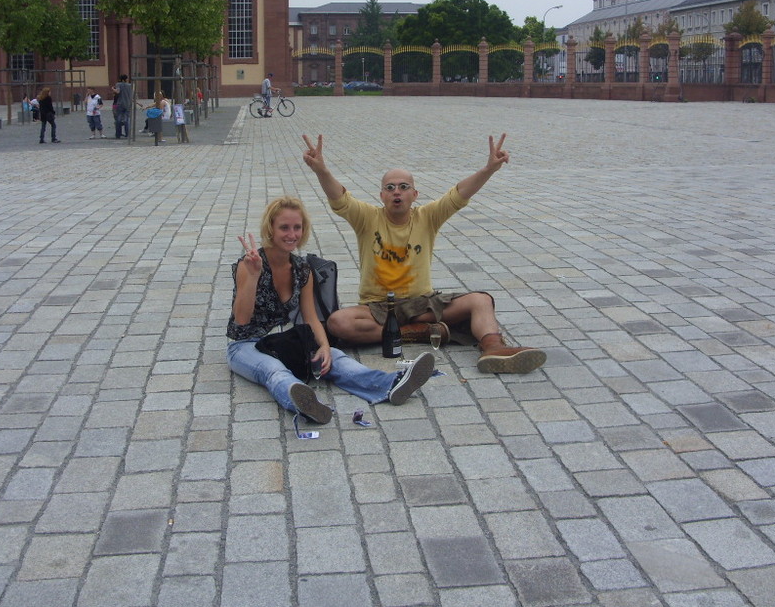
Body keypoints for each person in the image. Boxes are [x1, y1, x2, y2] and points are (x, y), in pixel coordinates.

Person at [302, 133, 547, 375]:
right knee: (338, 323)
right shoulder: (366, 218)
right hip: (378, 308)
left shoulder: (427, 217)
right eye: (390, 187)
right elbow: (340, 199)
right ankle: (421, 332)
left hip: (423, 304)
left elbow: (458, 195)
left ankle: (494, 348)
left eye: (404, 187)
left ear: (414, 194)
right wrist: (321, 170)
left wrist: (489, 169)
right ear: (382, 195)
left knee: (481, 301)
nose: (396, 191)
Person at [227, 196, 435, 424]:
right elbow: (242, 319)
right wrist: (254, 276)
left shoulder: (302, 269)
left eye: (297, 227)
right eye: (284, 227)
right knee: (273, 370)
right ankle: (303, 403)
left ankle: (390, 384)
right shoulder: (249, 265)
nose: (292, 234)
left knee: (335, 357)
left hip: (280, 341)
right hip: (244, 345)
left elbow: (311, 318)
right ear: (271, 229)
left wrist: (325, 347)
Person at [112, 75, 133, 139]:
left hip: (120, 104)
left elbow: (117, 91)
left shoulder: (119, 84)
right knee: (127, 120)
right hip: (128, 104)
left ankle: (118, 134)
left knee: (118, 119)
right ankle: (128, 134)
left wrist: (113, 89)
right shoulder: (130, 85)